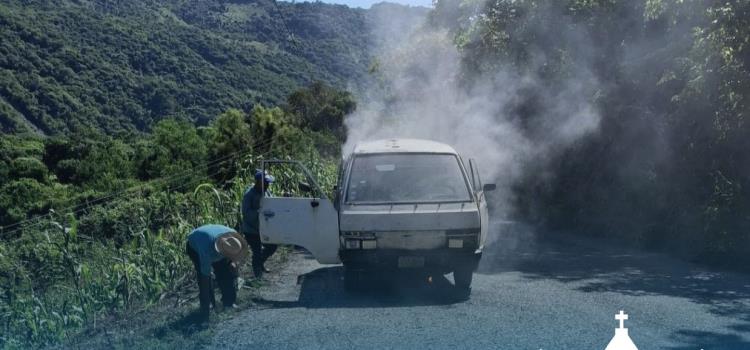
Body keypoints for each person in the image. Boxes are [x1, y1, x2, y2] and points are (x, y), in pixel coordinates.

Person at [186, 224, 248, 321]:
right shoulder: (206, 251)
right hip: (195, 246)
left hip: (216, 238)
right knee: (206, 277)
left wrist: (233, 262)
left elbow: (235, 253)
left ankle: (229, 302)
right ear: (222, 252)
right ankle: (209, 306)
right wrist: (205, 308)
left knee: (226, 272)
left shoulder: (233, 239)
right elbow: (204, 279)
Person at [242, 170, 278, 278]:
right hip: (251, 229)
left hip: (264, 228)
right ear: (258, 182)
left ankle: (260, 263)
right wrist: (260, 212)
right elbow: (246, 213)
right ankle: (258, 275)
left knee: (272, 246)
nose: (267, 185)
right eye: (265, 183)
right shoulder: (249, 195)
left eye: (267, 183)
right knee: (256, 251)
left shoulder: (266, 192)